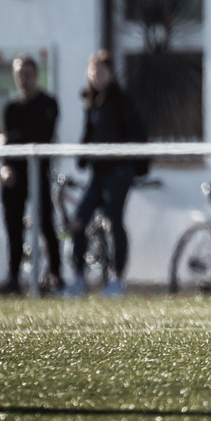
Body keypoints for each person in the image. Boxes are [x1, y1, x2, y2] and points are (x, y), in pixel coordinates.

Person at [69, 51, 147, 298]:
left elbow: (137, 133)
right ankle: (78, 278)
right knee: (78, 221)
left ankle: (117, 279)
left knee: (114, 222)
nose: (97, 76)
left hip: (118, 171)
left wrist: (127, 159)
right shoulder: (92, 102)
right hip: (98, 173)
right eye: (93, 72)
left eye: (102, 72)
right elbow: (88, 135)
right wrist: (83, 157)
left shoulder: (121, 101)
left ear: (111, 74)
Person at [0, 56, 62, 294]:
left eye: (27, 74)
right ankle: (13, 278)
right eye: (19, 75)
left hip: (38, 173)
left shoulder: (48, 104)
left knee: (46, 224)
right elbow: (6, 144)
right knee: (13, 227)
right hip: (14, 174)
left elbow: (41, 135)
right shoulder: (10, 108)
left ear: (36, 75)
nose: (23, 79)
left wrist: (9, 139)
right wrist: (5, 167)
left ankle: (56, 275)